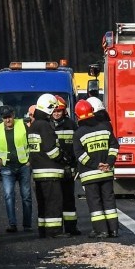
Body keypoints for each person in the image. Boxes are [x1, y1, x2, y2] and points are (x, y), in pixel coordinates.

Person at [73, 99, 119, 238]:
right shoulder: (105, 128)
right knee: (109, 200)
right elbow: (114, 146)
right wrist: (108, 163)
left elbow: (80, 155)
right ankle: (114, 230)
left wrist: (95, 165)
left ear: (77, 116)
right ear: (92, 112)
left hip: (90, 174)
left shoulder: (79, 133)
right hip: (106, 172)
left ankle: (101, 230)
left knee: (95, 202)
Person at [28, 93, 69, 239]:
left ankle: (43, 230)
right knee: (54, 202)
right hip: (50, 171)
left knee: (43, 202)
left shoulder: (33, 126)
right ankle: (55, 232)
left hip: (38, 172)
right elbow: (51, 149)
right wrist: (63, 158)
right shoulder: (45, 126)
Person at [0, 104, 33, 233]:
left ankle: (27, 225)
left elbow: (32, 142)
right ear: (2, 118)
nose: (7, 120)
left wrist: (30, 160)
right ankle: (12, 224)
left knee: (26, 196)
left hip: (23, 165)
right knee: (9, 195)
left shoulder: (22, 125)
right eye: (5, 118)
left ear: (14, 115)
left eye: (9, 117)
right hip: (7, 167)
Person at [52, 95, 81, 235]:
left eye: (59, 111)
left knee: (69, 199)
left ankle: (71, 227)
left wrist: (75, 166)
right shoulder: (47, 125)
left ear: (64, 111)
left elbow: (77, 147)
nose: (57, 113)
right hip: (54, 168)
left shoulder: (71, 125)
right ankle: (57, 229)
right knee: (56, 199)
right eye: (54, 111)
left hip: (69, 168)